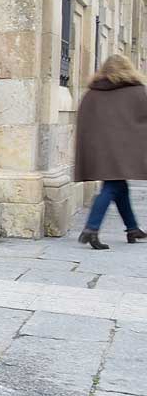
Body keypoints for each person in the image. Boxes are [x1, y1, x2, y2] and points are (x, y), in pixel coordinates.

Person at [74, 53, 147, 249]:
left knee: (119, 186)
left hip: (101, 150)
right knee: (112, 186)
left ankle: (132, 229)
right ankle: (91, 228)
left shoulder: (92, 93)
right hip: (124, 150)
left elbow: (84, 122)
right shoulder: (138, 91)